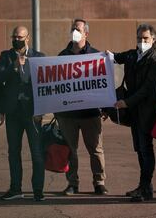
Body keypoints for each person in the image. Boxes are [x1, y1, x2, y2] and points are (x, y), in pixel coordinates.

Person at [56, 19, 108, 196]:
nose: (74, 32)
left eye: (77, 29)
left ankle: (99, 182)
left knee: (96, 150)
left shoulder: (96, 56)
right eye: (72, 29)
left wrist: (106, 107)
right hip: (67, 114)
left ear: (86, 33)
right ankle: (72, 183)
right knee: (70, 150)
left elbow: (104, 84)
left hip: (90, 114)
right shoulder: (62, 56)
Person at [112, 24, 156, 202]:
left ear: (153, 40)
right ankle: (144, 187)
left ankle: (145, 187)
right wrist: (102, 55)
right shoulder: (132, 55)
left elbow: (147, 89)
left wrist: (126, 102)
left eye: (145, 39)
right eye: (139, 38)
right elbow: (114, 57)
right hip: (134, 112)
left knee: (146, 149)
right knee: (140, 150)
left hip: (147, 112)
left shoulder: (155, 60)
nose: (141, 42)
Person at [0, 26, 46, 201]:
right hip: (13, 112)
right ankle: (15, 188)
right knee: (13, 152)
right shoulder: (6, 56)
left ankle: (38, 190)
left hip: (33, 113)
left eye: (20, 37)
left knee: (37, 153)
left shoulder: (39, 57)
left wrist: (42, 110)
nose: (16, 39)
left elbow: (44, 87)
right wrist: (14, 66)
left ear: (28, 38)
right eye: (14, 36)